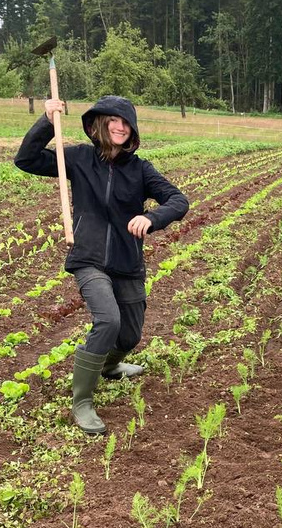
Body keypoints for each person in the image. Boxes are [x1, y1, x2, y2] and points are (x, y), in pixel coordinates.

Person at [15, 95, 189, 435]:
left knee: (130, 334)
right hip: (89, 258)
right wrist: (47, 122)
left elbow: (178, 200)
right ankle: (82, 401)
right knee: (107, 321)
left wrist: (151, 218)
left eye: (126, 122)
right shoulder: (78, 158)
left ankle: (109, 366)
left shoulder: (140, 169)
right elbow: (26, 159)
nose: (121, 127)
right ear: (99, 124)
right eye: (114, 120)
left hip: (127, 261)